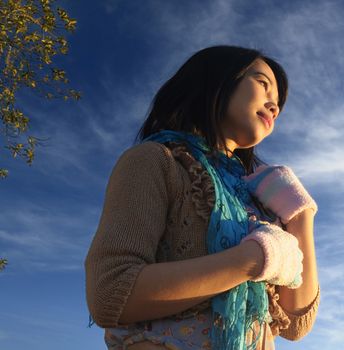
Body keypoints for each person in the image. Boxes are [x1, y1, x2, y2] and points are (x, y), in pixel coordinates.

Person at [84, 45, 321, 350]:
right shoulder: (157, 161)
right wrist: (255, 259)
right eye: (263, 83)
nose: (273, 105)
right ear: (217, 79)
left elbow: (296, 322)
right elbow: (110, 292)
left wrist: (300, 216)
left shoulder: (255, 199)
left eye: (278, 103)